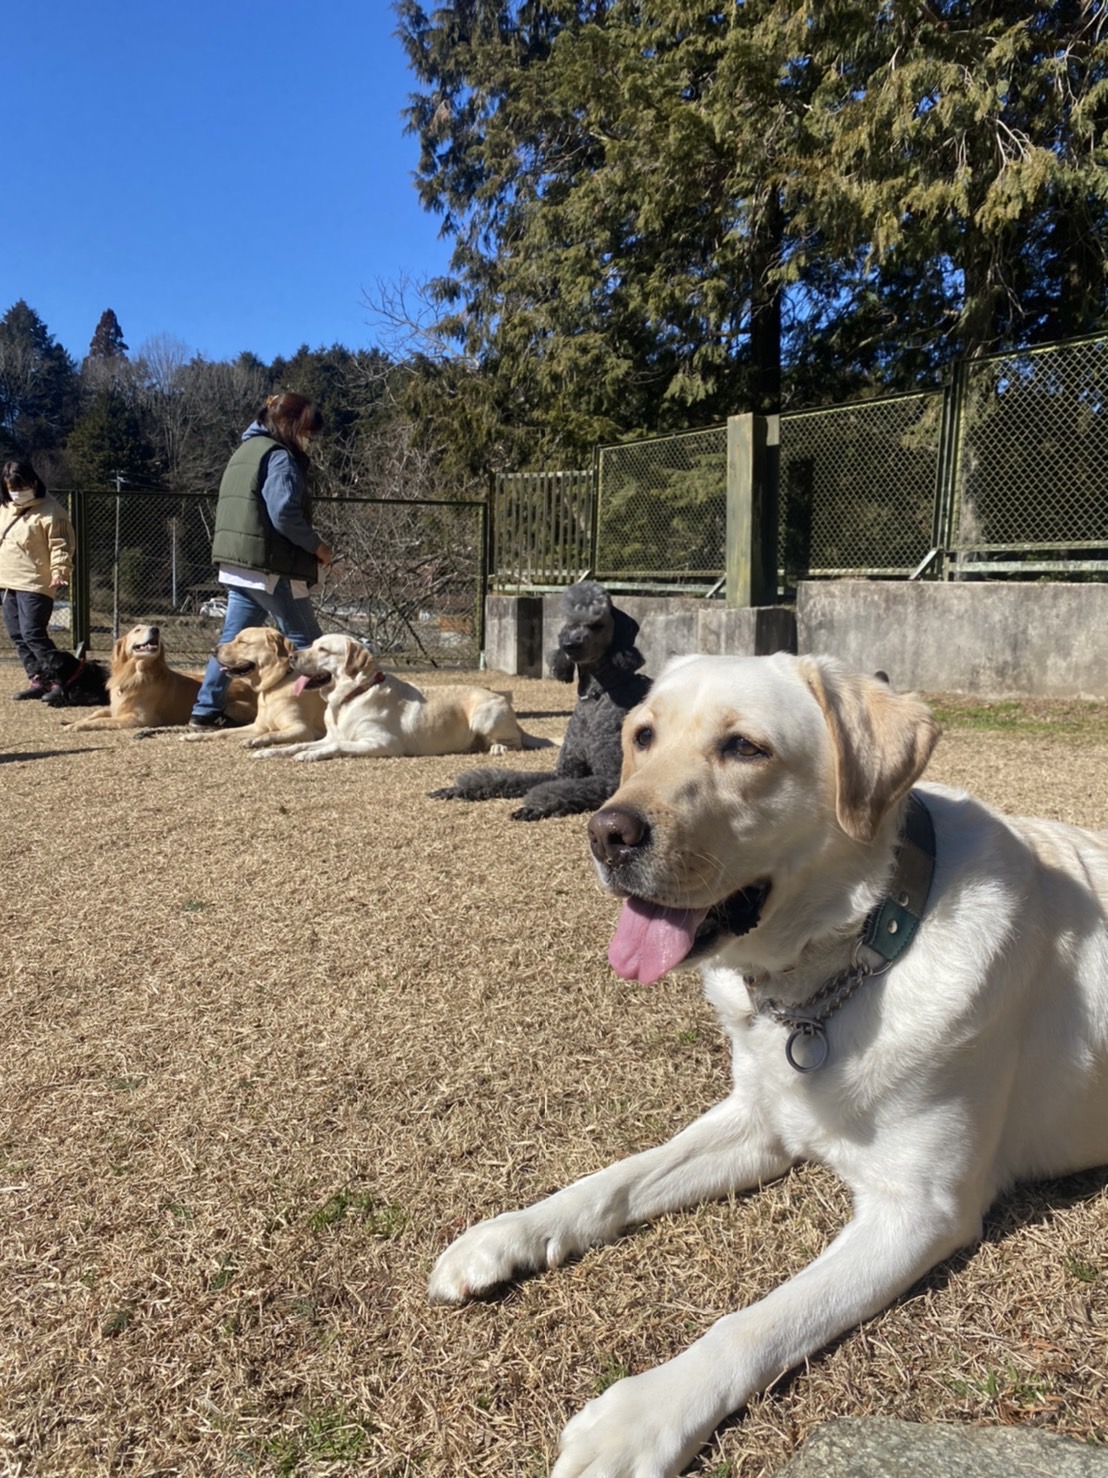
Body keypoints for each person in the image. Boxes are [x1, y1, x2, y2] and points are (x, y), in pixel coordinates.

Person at [189, 392, 335, 729]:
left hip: (239, 564)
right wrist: (318, 547)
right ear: (290, 425)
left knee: (231, 642)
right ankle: (332, 710)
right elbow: (283, 513)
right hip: (272, 566)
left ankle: (205, 711)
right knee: (308, 642)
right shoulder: (280, 457)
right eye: (307, 431)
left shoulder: (244, 452)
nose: (309, 439)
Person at [0, 459, 75, 700]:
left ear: (34, 483)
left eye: (23, 487)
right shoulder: (4, 508)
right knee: (17, 634)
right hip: (6, 580)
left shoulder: (52, 511)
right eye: (13, 488)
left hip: (35, 582)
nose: (19, 493)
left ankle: (61, 681)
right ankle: (37, 680)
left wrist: (59, 571)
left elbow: (61, 545)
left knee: (32, 632)